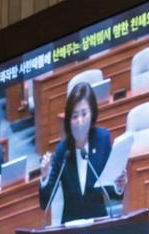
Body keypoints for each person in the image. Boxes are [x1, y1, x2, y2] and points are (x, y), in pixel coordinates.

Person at [39, 82, 127, 224]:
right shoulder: (63, 150)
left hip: (99, 223)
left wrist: (119, 185)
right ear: (69, 120)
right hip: (71, 227)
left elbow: (113, 193)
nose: (80, 121)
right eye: (74, 116)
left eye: (84, 114)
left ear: (92, 113)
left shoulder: (102, 140)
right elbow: (45, 203)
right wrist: (45, 176)